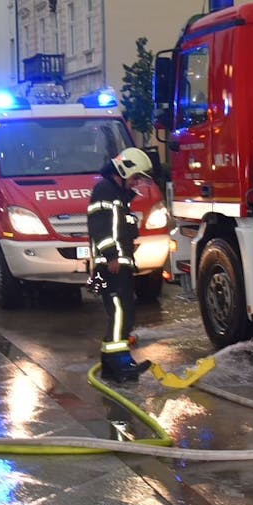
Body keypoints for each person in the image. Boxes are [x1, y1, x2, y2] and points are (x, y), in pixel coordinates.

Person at [88, 147, 155, 383]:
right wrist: (111, 256)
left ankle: (111, 364)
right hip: (111, 266)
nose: (136, 182)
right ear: (124, 170)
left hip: (117, 265)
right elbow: (100, 227)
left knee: (123, 312)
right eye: (135, 176)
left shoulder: (114, 192)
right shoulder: (105, 191)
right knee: (120, 314)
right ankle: (120, 363)